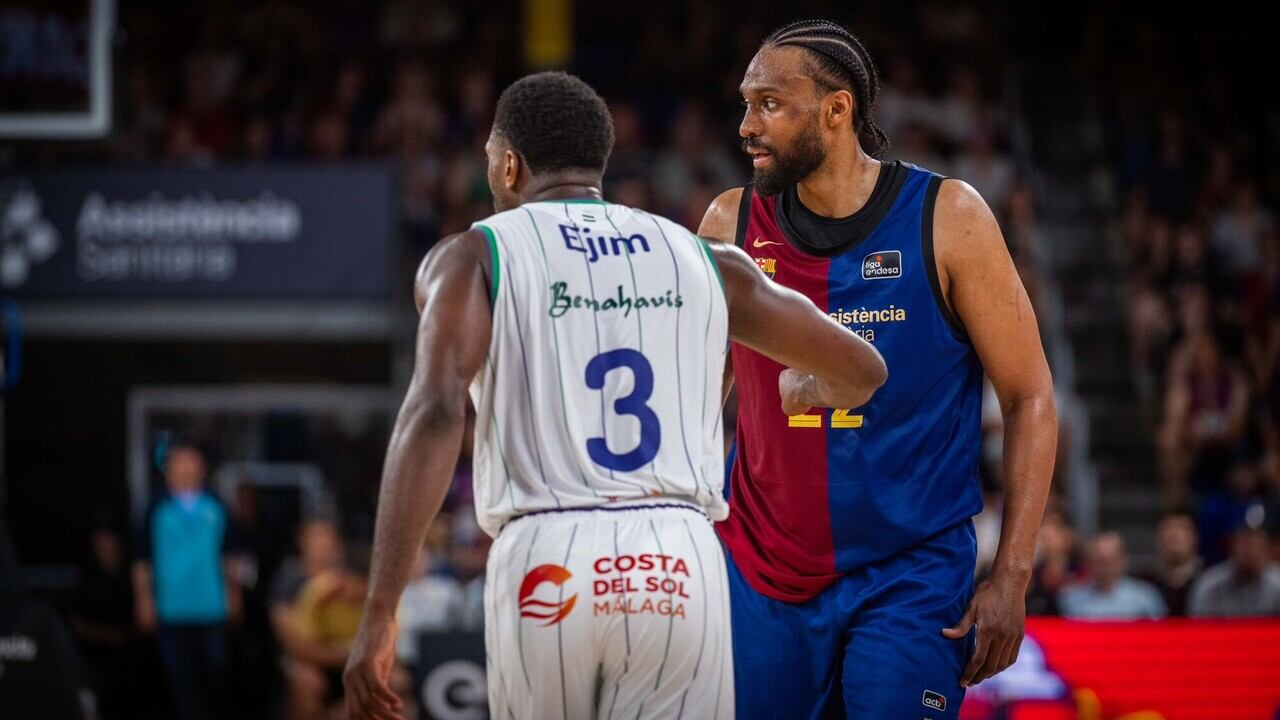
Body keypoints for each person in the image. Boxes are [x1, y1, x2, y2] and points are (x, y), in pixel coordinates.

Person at [343, 70, 887, 720]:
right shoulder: (705, 258)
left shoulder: (474, 256)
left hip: (549, 556)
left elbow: (433, 414)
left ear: (510, 165)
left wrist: (380, 611)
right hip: (679, 561)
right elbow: (863, 369)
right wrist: (802, 386)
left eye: (490, 158)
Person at [697, 19, 1057, 718]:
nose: (746, 124)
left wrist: (1012, 574)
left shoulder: (950, 217)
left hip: (910, 572)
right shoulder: (729, 222)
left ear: (838, 110)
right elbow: (693, 401)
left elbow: (1030, 396)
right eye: (746, 102)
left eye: (769, 103)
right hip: (762, 571)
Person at [132, 442, 241, 720]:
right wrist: (144, 600)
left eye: (189, 461)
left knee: (217, 672)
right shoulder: (155, 508)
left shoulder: (217, 506)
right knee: (178, 680)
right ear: (167, 469)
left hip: (211, 607)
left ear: (202, 467)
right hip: (170, 609)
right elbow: (142, 561)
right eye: (177, 462)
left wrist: (234, 595)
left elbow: (229, 558)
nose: (183, 468)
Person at [1059, 532, 1167, 620]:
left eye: (1111, 560)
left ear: (1123, 560)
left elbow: (1161, 635)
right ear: (1089, 562)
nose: (1106, 567)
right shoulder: (1071, 599)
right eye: (1100, 561)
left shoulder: (1145, 597)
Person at [1188, 517, 1280, 617]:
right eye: (1245, 542)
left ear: (1268, 547)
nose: (1251, 550)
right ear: (1232, 544)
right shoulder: (1210, 586)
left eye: (1258, 543)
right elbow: (1198, 630)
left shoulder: (1277, 584)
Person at [1139, 509, 1203, 616]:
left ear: (1195, 538)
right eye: (1167, 529)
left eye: (1182, 529)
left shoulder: (1208, 581)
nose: (1174, 535)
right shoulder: (1145, 582)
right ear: (1158, 538)